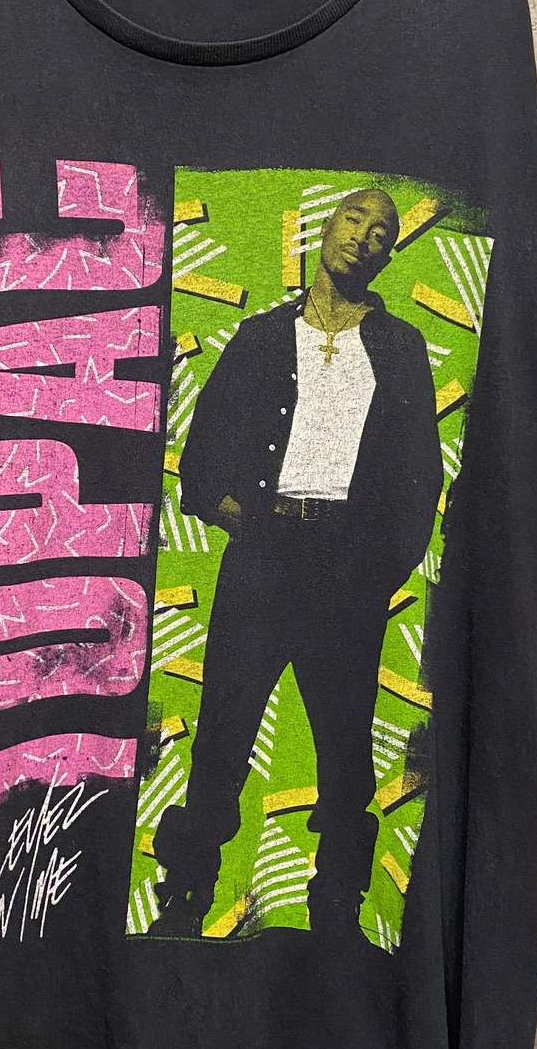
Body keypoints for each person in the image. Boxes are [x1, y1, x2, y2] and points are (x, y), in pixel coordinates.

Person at [149, 187, 443, 946]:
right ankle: (184, 898)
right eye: (353, 218)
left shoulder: (402, 348)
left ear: (388, 254)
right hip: (262, 559)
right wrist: (250, 526)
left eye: (380, 232)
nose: (363, 236)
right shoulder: (259, 339)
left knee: (345, 754)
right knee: (220, 740)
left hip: (348, 572)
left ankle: (336, 910)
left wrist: (375, 571)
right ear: (325, 227)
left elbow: (420, 480)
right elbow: (201, 463)